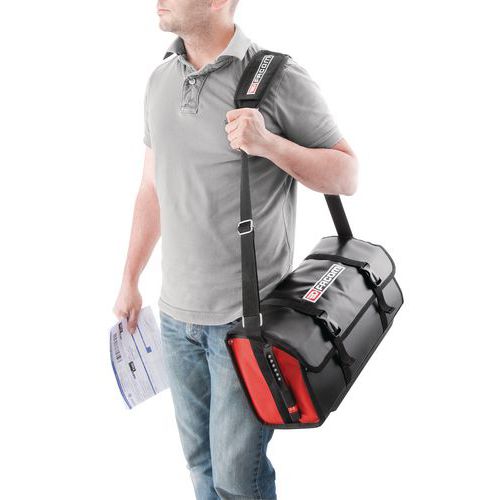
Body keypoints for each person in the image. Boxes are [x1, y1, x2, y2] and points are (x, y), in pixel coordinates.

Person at [113, 1, 358, 498]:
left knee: (238, 481)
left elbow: (347, 174)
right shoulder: (160, 81)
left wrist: (269, 145)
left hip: (244, 323)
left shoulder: (276, 78)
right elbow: (151, 189)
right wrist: (129, 279)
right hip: (176, 319)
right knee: (201, 466)